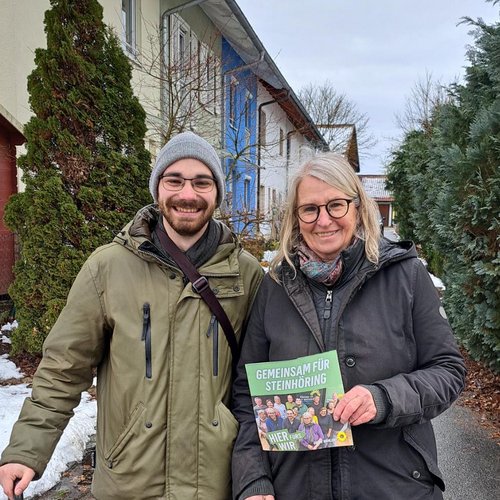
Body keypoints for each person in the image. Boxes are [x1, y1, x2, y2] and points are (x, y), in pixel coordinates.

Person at [0, 131, 264, 500]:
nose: (188, 193)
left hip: (214, 481)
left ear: (217, 193)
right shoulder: (108, 268)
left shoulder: (245, 274)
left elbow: (259, 378)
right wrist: (27, 450)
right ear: (158, 189)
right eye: (175, 180)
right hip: (128, 480)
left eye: (202, 182)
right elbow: (64, 367)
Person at [231, 151, 466, 499]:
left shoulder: (406, 276)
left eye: (336, 205)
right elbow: (246, 393)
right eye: (310, 209)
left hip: (395, 486)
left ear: (357, 207)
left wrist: (383, 399)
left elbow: (448, 371)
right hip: (296, 487)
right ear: (296, 217)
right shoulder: (276, 287)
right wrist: (253, 480)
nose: (323, 220)